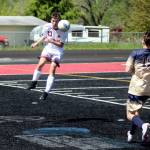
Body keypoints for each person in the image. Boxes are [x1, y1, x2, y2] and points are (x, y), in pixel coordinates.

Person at [27, 12, 68, 101]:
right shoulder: (46, 26)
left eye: (56, 21)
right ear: (51, 20)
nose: (54, 23)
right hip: (48, 49)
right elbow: (43, 36)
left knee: (52, 69)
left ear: (59, 22)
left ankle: (45, 93)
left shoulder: (63, 30)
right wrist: (36, 43)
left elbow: (61, 45)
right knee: (40, 64)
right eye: (53, 21)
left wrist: (51, 41)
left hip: (57, 52)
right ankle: (34, 83)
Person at [126, 32, 150, 143]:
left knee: (130, 114)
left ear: (143, 41)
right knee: (136, 113)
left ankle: (143, 126)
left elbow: (128, 69)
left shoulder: (135, 53)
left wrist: (135, 73)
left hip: (137, 87)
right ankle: (131, 134)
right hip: (148, 87)